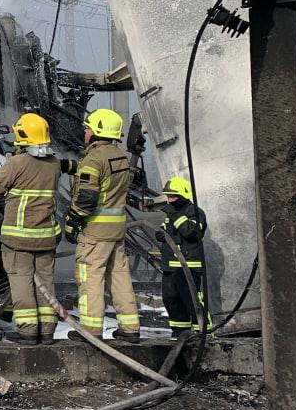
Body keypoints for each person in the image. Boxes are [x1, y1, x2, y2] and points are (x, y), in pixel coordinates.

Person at [64, 107, 140, 343]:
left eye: (88, 128)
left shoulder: (94, 159)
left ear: (97, 131)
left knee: (90, 279)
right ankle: (130, 328)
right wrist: (67, 165)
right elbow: (104, 175)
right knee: (120, 278)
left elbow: (87, 197)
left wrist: (72, 221)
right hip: (116, 231)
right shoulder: (120, 157)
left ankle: (91, 331)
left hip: (95, 232)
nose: (85, 132)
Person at [0, 112, 61, 345]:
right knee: (45, 283)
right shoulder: (54, 164)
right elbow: (34, 169)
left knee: (22, 283)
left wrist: (11, 161)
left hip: (18, 240)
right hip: (46, 237)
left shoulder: (16, 163)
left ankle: (28, 331)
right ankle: (47, 331)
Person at [153, 176, 208, 336]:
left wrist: (175, 215)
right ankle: (180, 333)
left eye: (173, 196)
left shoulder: (195, 212)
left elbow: (191, 232)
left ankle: (202, 333)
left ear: (183, 195)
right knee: (171, 300)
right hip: (171, 267)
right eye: (168, 196)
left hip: (188, 267)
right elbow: (165, 230)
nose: (169, 200)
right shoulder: (172, 213)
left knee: (192, 301)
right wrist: (161, 234)